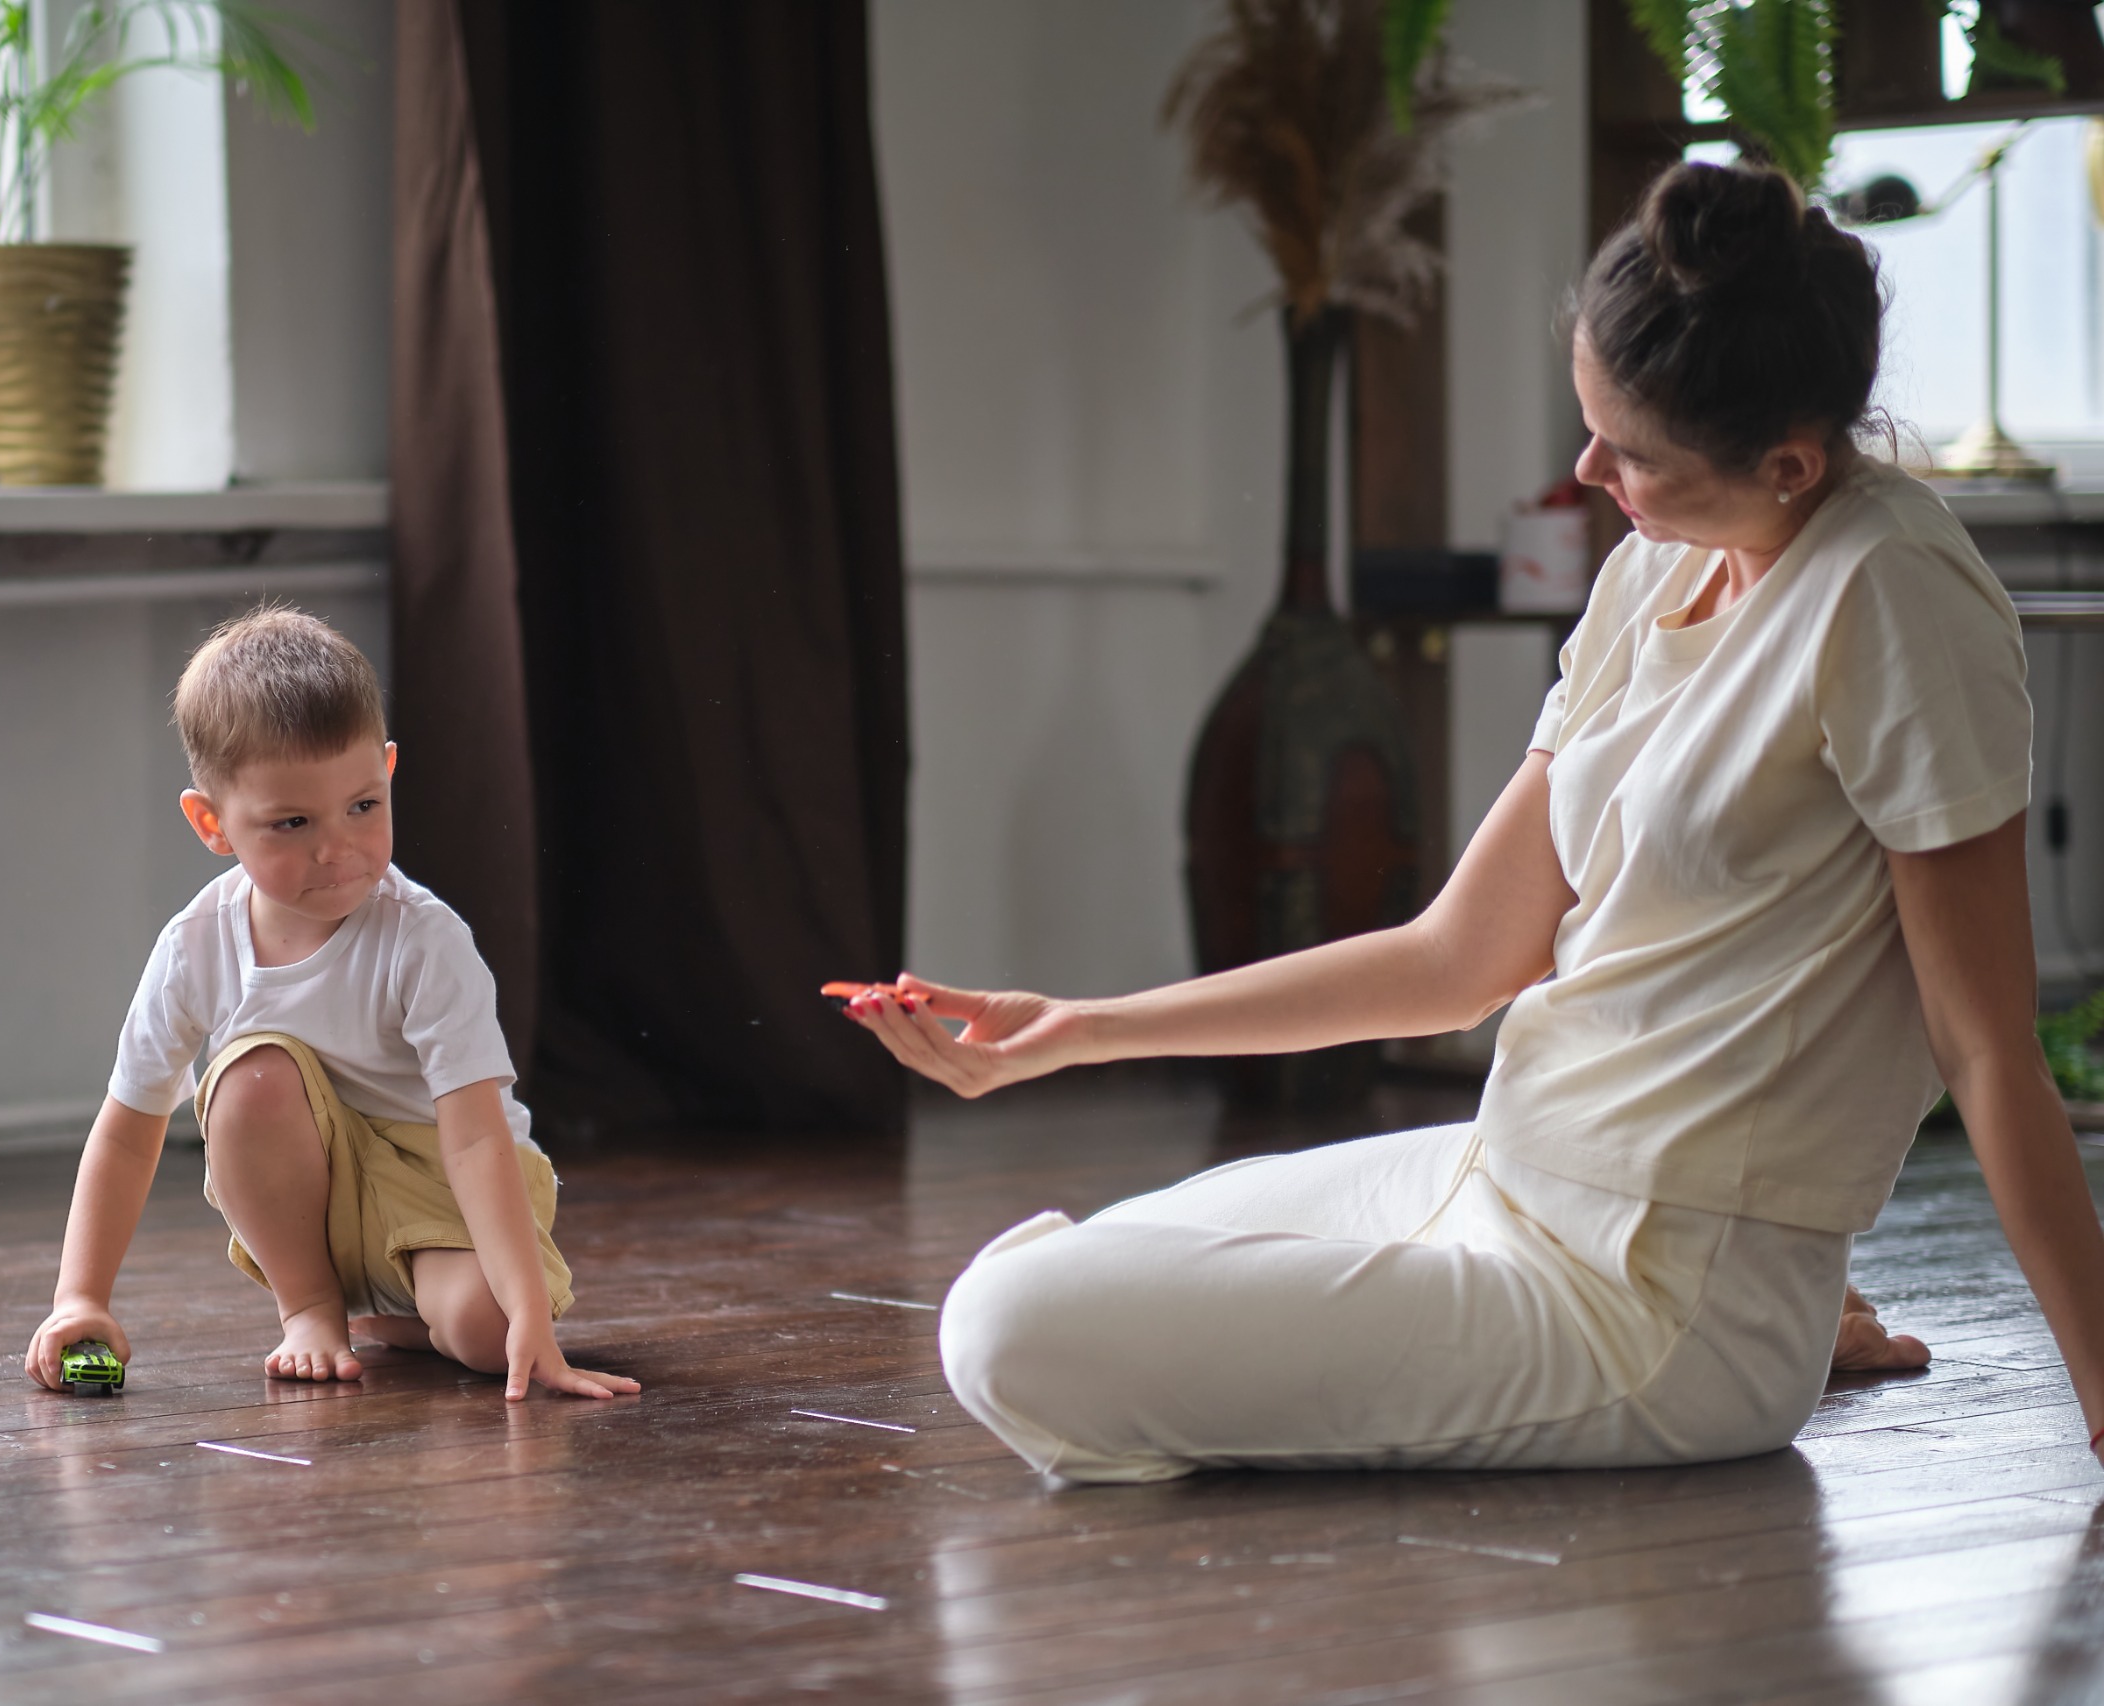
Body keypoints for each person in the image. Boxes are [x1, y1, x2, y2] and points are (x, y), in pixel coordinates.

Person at [843, 159, 2104, 1482]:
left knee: (1009, 1323)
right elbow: (1455, 957)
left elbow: (1987, 1050)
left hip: (1651, 1303)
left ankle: (1761, 1328)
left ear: (1788, 462)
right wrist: (1075, 1030)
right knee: (1106, 1259)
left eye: (1633, 452)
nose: (1588, 466)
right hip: (1505, 1168)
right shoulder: (1654, 565)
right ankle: (1779, 1320)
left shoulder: (1897, 599)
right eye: (1592, 419)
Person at [23, 609, 637, 1402]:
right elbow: (128, 1132)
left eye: (363, 806)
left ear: (387, 772)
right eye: (291, 823)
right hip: (309, 1196)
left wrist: (528, 1315)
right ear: (212, 823)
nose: (336, 849)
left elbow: (478, 1140)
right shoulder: (196, 946)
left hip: (443, 1179)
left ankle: (407, 1313)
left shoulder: (424, 940)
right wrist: (81, 1298)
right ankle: (311, 1309)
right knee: (251, 1077)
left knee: (490, 1338)